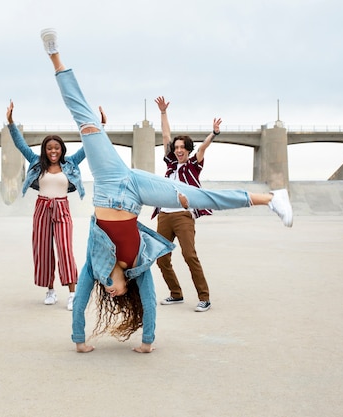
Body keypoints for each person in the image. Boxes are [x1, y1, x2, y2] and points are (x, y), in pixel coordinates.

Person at [39, 28, 293, 353]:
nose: (110, 290)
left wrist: (78, 340)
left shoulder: (94, 265)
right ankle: (272, 198)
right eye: (116, 291)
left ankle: (54, 54)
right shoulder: (139, 265)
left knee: (85, 121)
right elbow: (149, 302)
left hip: (108, 182)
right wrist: (147, 343)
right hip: (136, 194)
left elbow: (80, 302)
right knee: (199, 197)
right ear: (125, 285)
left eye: (107, 289)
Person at [6, 100, 86, 310]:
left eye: (56, 148)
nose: (53, 151)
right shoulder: (35, 162)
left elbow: (88, 147)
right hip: (41, 208)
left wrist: (100, 127)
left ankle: (72, 293)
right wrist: (11, 123)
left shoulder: (70, 163)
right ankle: (50, 290)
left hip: (62, 208)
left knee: (65, 249)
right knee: (42, 250)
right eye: (49, 148)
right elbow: (20, 145)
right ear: (44, 150)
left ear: (61, 150)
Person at [151, 95, 218, 312]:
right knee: (161, 258)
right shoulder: (170, 165)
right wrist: (163, 112)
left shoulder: (193, 166)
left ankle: (204, 297)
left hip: (183, 216)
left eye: (182, 147)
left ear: (188, 150)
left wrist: (214, 133)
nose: (178, 150)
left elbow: (203, 148)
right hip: (164, 215)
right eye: (176, 147)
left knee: (189, 256)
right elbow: (165, 135)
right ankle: (176, 294)